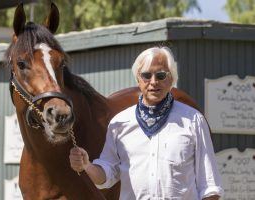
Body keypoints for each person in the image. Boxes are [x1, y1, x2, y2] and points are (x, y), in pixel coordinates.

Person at [69, 47, 223, 200]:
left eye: (161, 75)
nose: (153, 82)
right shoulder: (119, 123)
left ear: (172, 79)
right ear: (138, 79)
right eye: (146, 75)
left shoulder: (193, 120)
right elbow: (106, 176)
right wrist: (87, 165)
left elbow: (209, 186)